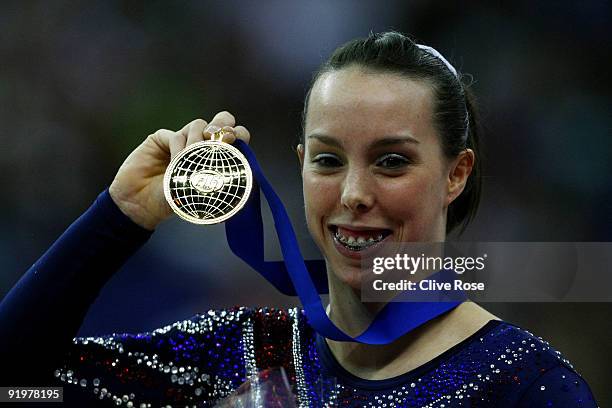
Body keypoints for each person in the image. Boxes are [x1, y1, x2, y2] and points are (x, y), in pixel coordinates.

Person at [0, 31, 598, 407]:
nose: (354, 193)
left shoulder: (524, 386)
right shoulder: (239, 356)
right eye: (329, 160)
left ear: (456, 174)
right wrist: (119, 217)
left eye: (392, 162)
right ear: (300, 167)